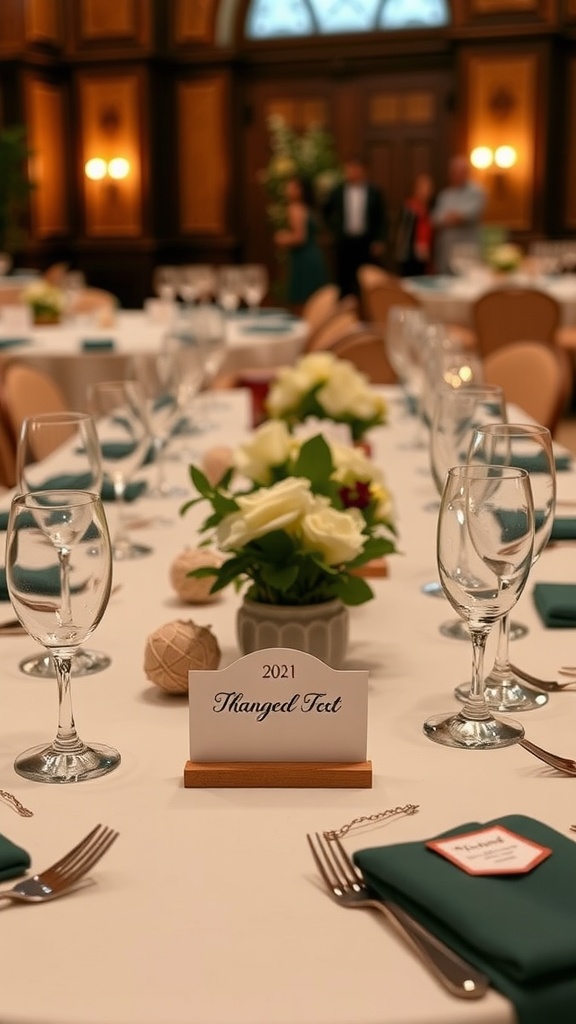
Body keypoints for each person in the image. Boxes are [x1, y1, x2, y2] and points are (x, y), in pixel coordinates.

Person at [323, 155, 388, 297]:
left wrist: (379, 240)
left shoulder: (374, 192)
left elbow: (381, 218)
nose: (352, 172)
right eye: (349, 168)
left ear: (363, 171)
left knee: (366, 282)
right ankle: (345, 315)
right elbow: (326, 211)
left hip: (366, 242)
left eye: (355, 168)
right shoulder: (337, 191)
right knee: (343, 281)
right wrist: (334, 230)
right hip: (344, 242)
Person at [274, 176, 329, 309]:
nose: (287, 190)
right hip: (314, 255)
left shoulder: (295, 208)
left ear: (300, 190)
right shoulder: (308, 208)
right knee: (316, 302)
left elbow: (300, 238)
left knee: (303, 303)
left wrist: (282, 238)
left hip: (303, 258)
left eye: (291, 187)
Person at [431, 155, 486, 274]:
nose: (457, 175)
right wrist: (451, 217)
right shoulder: (445, 195)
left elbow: (466, 215)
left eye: (460, 172)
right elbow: (435, 219)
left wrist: (451, 217)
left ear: (467, 173)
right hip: (446, 251)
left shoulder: (476, 192)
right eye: (454, 172)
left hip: (467, 252)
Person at [396, 172, 434, 277]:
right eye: (423, 187)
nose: (426, 191)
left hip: (425, 255)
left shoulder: (428, 208)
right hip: (410, 256)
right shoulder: (409, 207)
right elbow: (404, 234)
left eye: (428, 188)